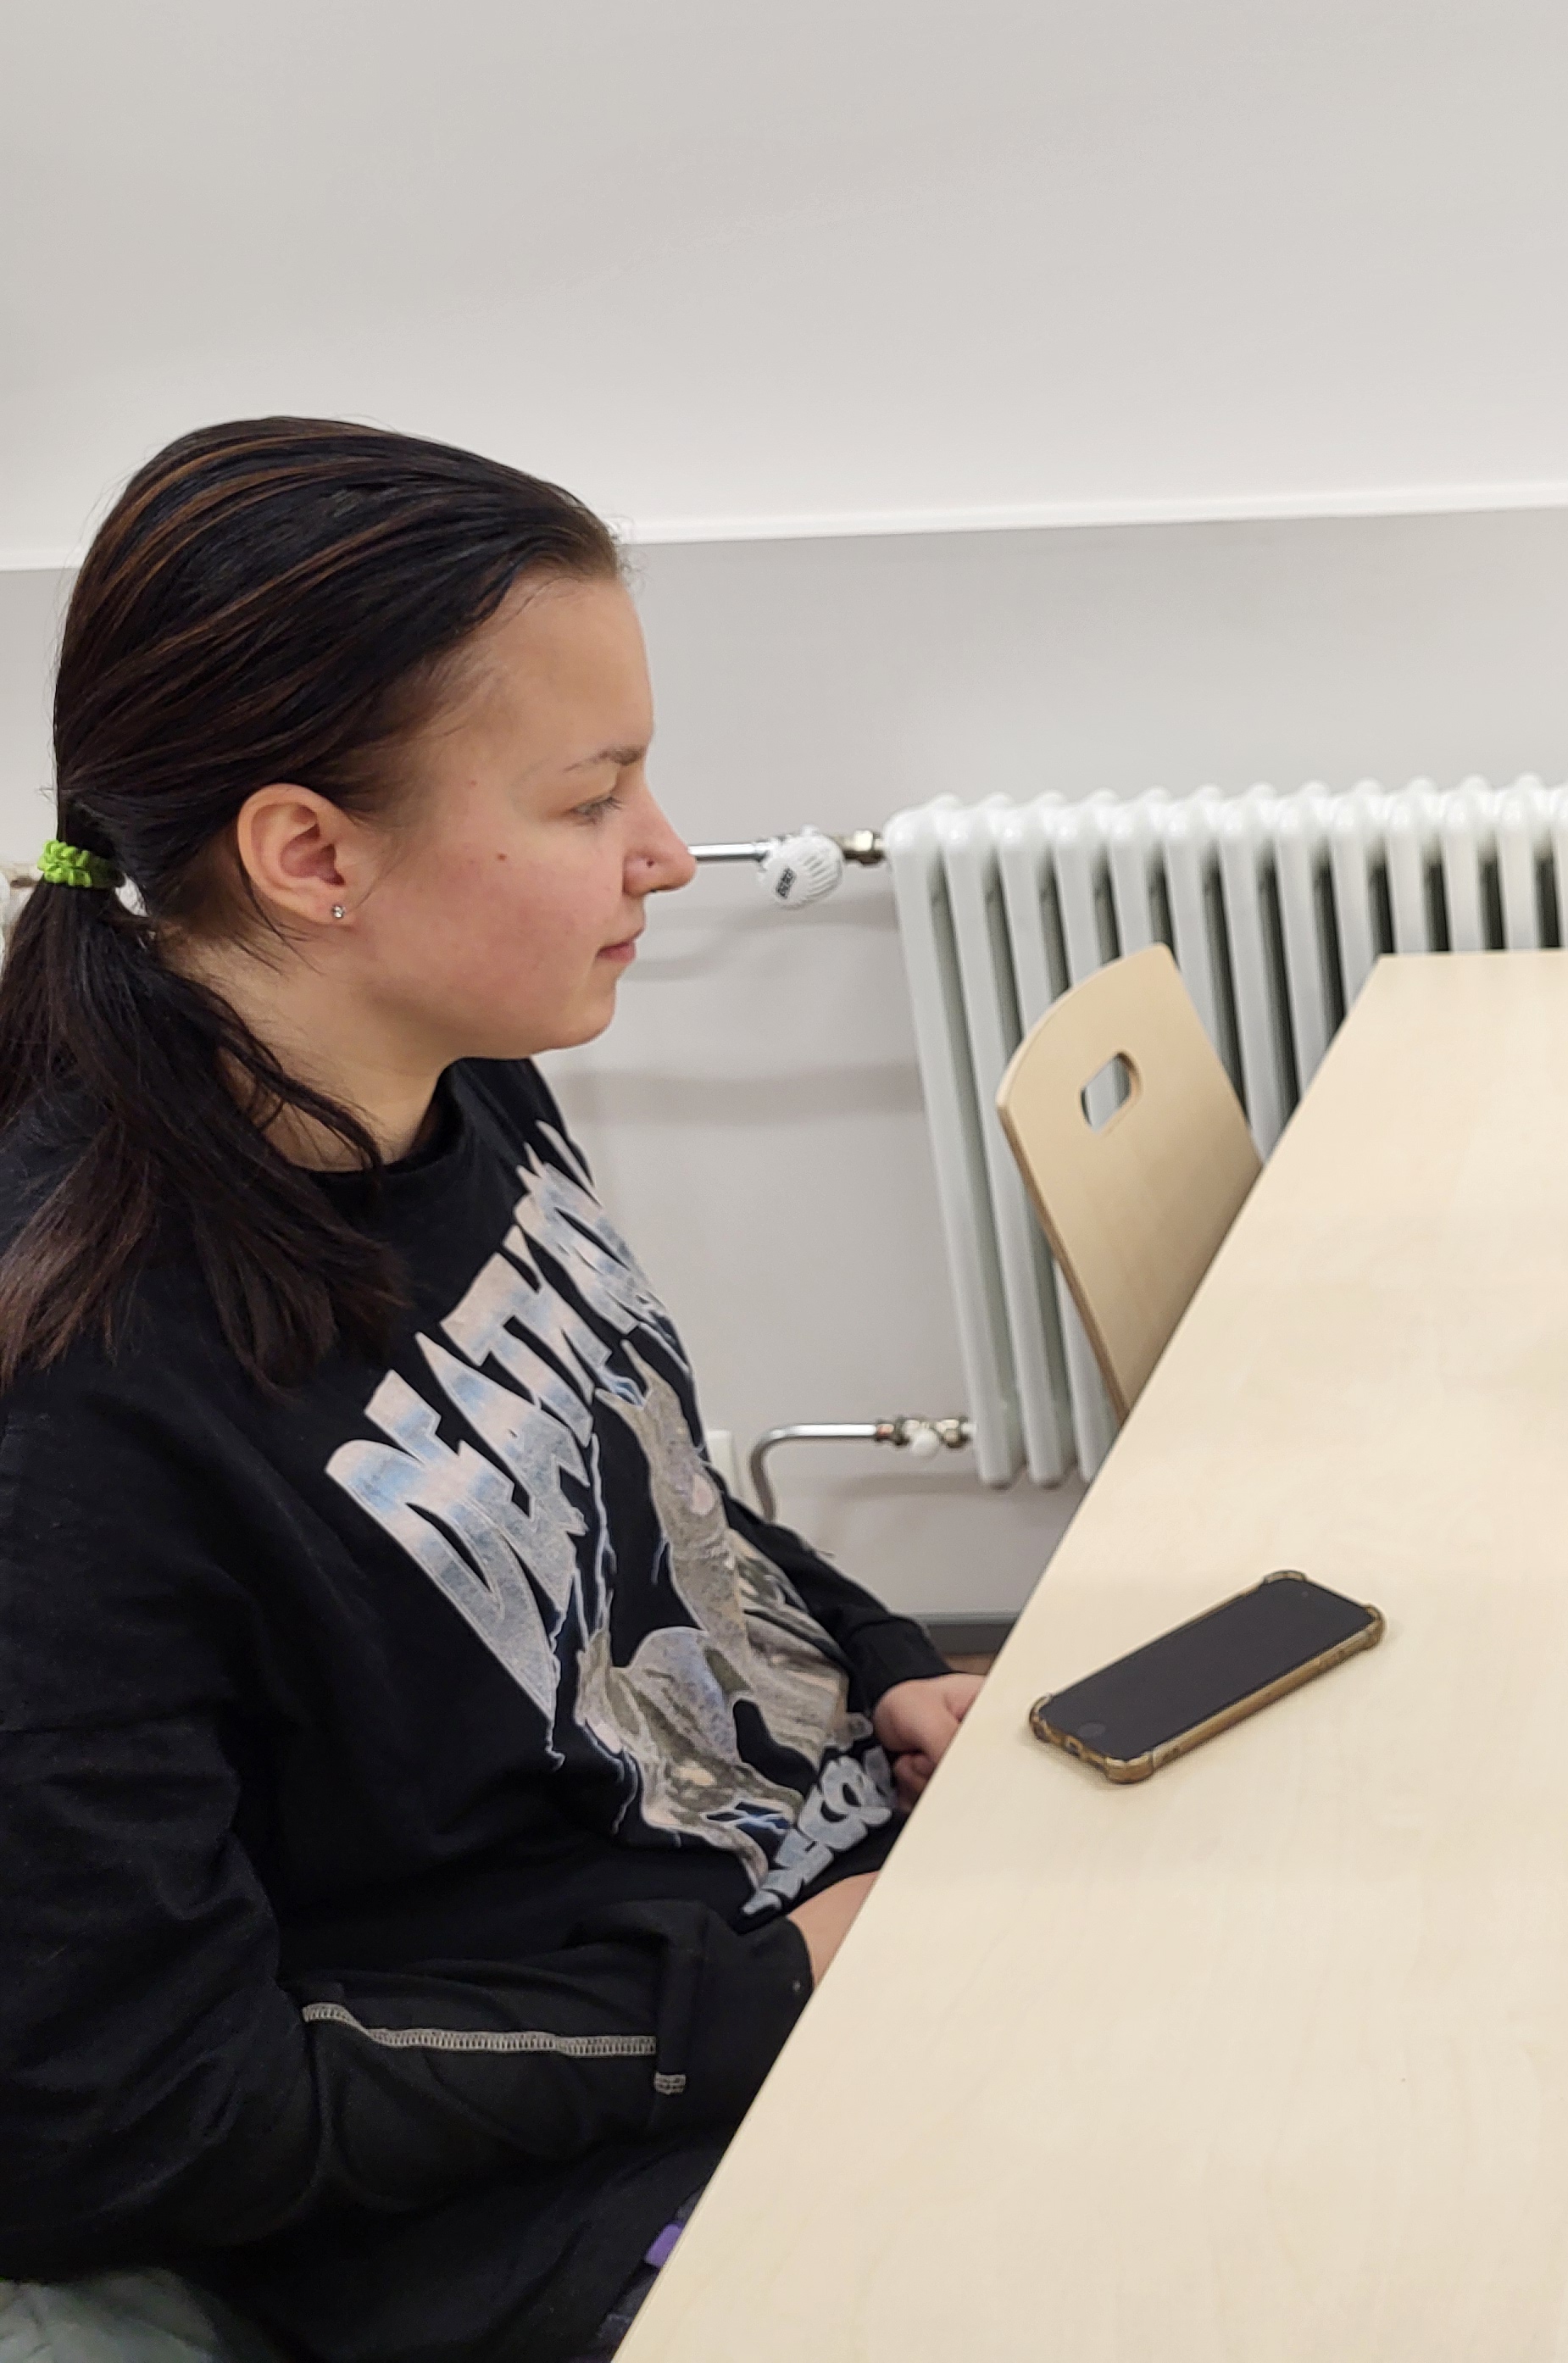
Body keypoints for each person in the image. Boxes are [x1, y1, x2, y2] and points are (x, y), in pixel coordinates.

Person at [0, 420, 979, 2361]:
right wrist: (771, 1991)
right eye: (591, 796)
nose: (664, 853)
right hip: (554, 2174)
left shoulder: (447, 1075)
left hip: (805, 1903)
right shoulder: (75, 1401)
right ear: (311, 856)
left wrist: (883, 1665)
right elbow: (124, 2116)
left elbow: (640, 1485)